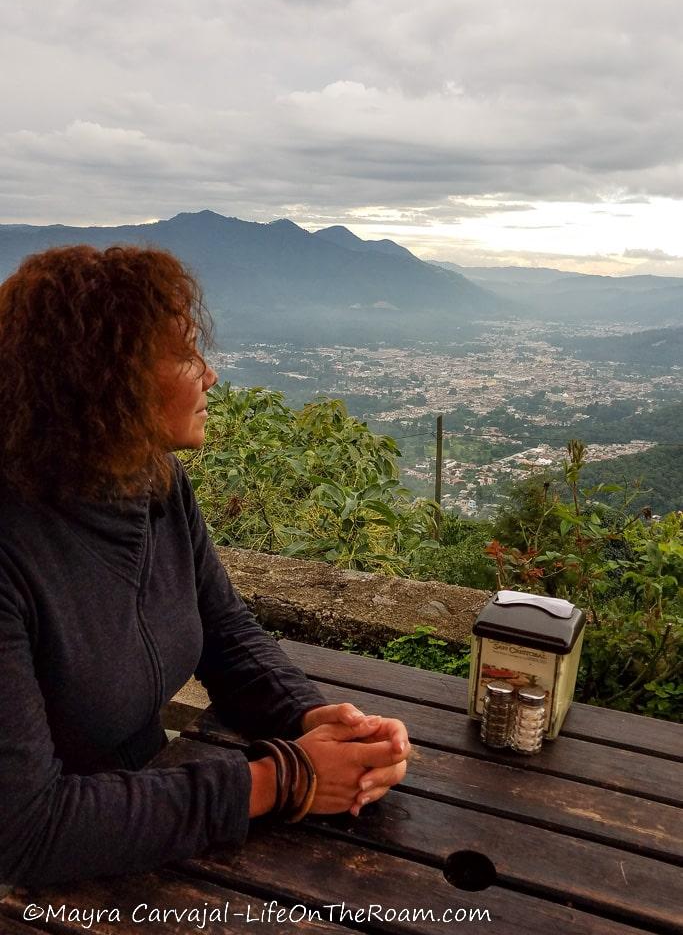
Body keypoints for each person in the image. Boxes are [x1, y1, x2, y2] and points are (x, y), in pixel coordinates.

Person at [0, 244, 410, 889]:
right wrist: (279, 780)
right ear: (108, 379)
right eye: (187, 353)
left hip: (145, 817)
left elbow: (227, 635)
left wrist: (316, 724)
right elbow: (25, 829)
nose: (211, 375)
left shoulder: (156, 486)